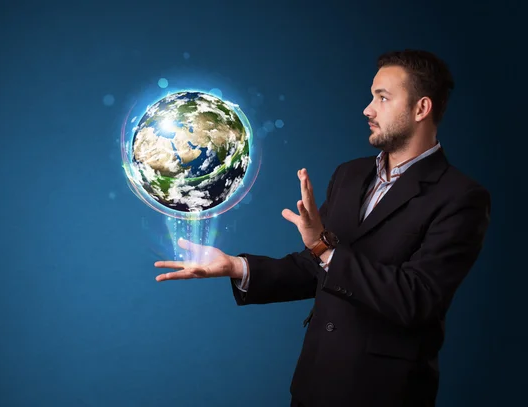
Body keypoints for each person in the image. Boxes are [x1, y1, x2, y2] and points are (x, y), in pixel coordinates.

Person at [153, 49, 491, 407]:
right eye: (371, 96)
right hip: (313, 385)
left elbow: (416, 299)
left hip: (385, 394)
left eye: (382, 98)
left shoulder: (460, 197)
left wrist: (324, 249)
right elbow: (315, 267)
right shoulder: (351, 174)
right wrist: (236, 266)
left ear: (421, 109)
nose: (368, 109)